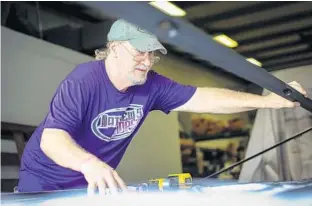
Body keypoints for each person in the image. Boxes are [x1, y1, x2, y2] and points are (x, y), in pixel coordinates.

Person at [17, 19, 308, 194]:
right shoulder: (83, 80)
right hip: (44, 181)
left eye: (152, 53)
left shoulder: (152, 84)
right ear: (115, 47)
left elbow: (206, 98)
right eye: (139, 51)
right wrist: (90, 164)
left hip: (91, 184)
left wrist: (269, 101)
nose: (147, 60)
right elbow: (52, 139)